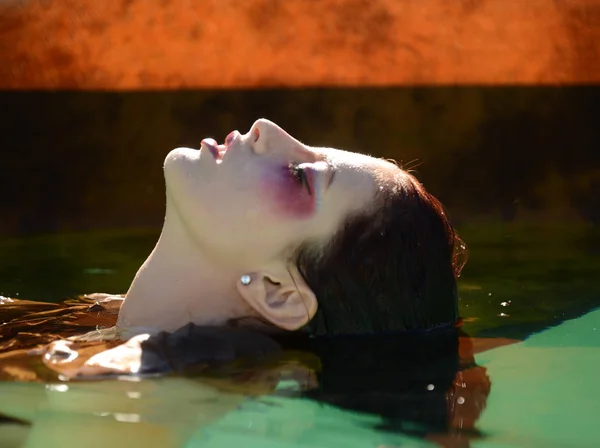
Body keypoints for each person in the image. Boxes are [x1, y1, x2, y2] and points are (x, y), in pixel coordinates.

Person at [116, 117, 466, 339]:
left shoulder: (118, 396)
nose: (264, 128)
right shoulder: (88, 331)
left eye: (300, 177)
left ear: (277, 292)